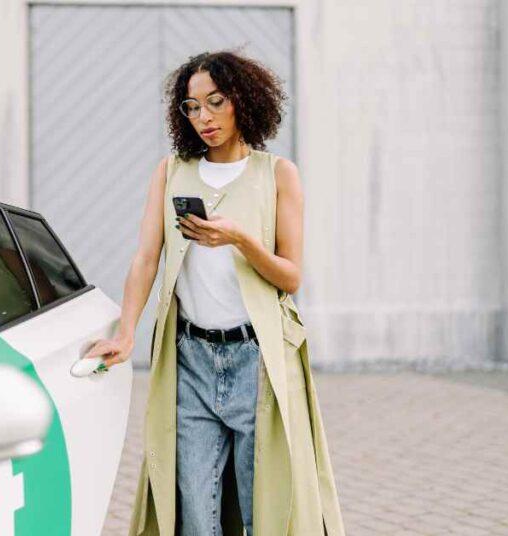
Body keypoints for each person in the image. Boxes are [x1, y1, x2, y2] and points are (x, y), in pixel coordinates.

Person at [82, 50, 346, 535]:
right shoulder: (171, 172)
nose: (203, 117)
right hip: (190, 361)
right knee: (195, 517)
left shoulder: (277, 174)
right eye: (192, 106)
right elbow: (146, 259)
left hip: (258, 361)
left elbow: (290, 277)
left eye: (215, 102)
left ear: (242, 100)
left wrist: (240, 239)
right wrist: (126, 333)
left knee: (261, 510)